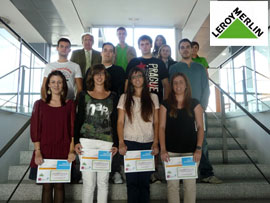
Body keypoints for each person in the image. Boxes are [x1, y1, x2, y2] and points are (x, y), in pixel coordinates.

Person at [169, 38, 222, 184]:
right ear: (179, 50)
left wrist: (203, 106)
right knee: (181, 139)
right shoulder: (174, 68)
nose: (185, 49)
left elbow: (206, 88)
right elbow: (171, 90)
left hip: (198, 110)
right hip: (179, 111)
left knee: (202, 141)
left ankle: (206, 173)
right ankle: (180, 174)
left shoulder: (199, 67)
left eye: (188, 47)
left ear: (192, 49)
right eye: (182, 47)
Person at [29, 71, 76, 203]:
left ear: (63, 85)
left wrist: (71, 151)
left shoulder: (70, 105)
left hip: (63, 150)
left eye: (59, 82)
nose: (56, 85)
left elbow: (72, 131)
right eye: (53, 82)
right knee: (47, 186)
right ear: (48, 85)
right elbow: (35, 129)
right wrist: (37, 152)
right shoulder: (39, 104)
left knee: (60, 186)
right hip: (44, 150)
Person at [74, 64, 118, 203]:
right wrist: (76, 141)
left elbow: (115, 121)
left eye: (102, 73)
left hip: (106, 143)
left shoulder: (113, 96)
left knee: (103, 182)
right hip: (86, 142)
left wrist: (116, 143)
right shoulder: (83, 95)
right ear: (92, 76)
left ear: (106, 76)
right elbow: (79, 118)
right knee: (88, 183)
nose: (99, 76)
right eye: (96, 73)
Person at [159, 72, 204, 203]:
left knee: (190, 187)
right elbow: (161, 127)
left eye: (181, 82)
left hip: (191, 152)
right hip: (170, 152)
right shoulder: (165, 104)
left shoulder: (195, 103)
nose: (178, 85)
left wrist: (199, 148)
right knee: (172, 187)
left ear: (186, 85)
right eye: (175, 82)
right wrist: (163, 149)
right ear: (172, 86)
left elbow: (201, 127)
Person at [117, 67, 159, 203]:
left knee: (145, 183)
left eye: (139, 76)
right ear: (130, 81)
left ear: (144, 78)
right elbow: (120, 122)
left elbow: (157, 122)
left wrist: (156, 142)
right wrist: (121, 142)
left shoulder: (153, 97)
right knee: (132, 183)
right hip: (130, 143)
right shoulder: (124, 98)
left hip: (147, 142)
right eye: (134, 77)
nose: (137, 79)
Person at [101, 42, 125, 184]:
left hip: (115, 110)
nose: (108, 53)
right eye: (105, 50)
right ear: (101, 53)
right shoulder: (93, 69)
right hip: (96, 112)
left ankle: (116, 170)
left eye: (111, 51)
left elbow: (123, 90)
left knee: (115, 139)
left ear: (114, 54)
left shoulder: (119, 70)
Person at [126, 35, 170, 103]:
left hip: (156, 102)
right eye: (142, 44)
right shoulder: (133, 62)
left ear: (151, 45)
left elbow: (166, 85)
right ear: (139, 47)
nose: (145, 46)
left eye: (147, 44)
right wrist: (126, 100)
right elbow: (127, 83)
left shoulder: (159, 62)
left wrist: (165, 104)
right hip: (136, 101)